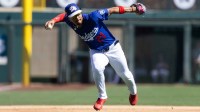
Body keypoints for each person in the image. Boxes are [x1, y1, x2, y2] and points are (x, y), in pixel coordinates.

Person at [45, 3, 146, 111]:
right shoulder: (69, 20)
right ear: (70, 18)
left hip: (113, 48)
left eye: (78, 14)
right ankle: (102, 97)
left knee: (125, 74)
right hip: (96, 51)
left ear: (81, 13)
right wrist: (53, 21)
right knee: (97, 68)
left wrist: (132, 9)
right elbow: (63, 16)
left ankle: (133, 92)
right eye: (74, 16)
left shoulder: (93, 16)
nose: (77, 17)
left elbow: (112, 10)